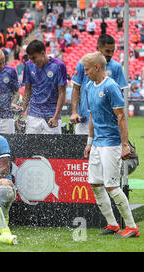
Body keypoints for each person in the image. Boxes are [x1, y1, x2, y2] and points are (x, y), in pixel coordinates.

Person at [82, 52, 140, 238]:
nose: (85, 73)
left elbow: (121, 117)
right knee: (95, 184)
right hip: (98, 144)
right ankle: (113, 224)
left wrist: (125, 146)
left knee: (112, 186)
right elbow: (92, 116)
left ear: (97, 67)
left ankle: (132, 227)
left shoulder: (111, 86)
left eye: (87, 69)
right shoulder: (89, 86)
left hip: (112, 144)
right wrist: (89, 142)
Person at [70, 34, 128, 134]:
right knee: (83, 149)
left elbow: (119, 95)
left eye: (113, 51)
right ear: (98, 48)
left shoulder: (117, 67)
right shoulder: (83, 64)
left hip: (107, 122)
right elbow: (76, 88)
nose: (111, 54)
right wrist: (74, 112)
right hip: (84, 120)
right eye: (107, 51)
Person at [17, 40, 67, 134]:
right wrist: (21, 114)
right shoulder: (28, 65)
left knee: (52, 148)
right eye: (30, 58)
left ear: (43, 53)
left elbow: (62, 93)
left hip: (52, 116)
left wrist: (56, 117)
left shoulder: (58, 66)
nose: (32, 61)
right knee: (31, 147)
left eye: (34, 58)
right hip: (33, 115)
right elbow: (27, 90)